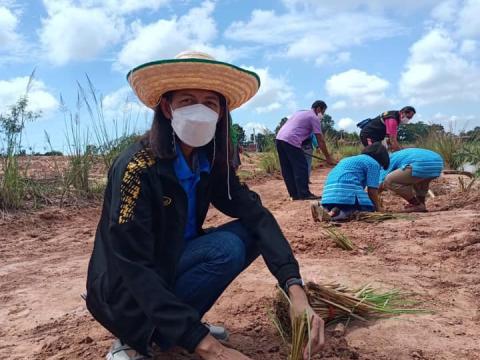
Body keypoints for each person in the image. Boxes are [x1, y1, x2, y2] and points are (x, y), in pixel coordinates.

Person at [85, 51, 325, 360]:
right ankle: (137, 336)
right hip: (124, 291)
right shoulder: (137, 168)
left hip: (169, 264)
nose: (199, 111)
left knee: (245, 236)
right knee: (217, 252)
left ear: (221, 113)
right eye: (187, 101)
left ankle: (177, 328)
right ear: (167, 108)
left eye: (210, 103)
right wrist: (210, 348)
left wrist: (295, 290)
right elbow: (132, 264)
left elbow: (258, 216)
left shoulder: (209, 161)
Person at [311, 143, 390, 222]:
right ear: (381, 160)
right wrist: (378, 208)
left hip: (329, 194)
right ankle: (333, 216)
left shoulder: (350, 159)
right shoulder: (373, 163)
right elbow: (372, 192)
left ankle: (326, 210)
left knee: (340, 204)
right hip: (347, 192)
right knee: (363, 208)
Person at [276, 100, 335, 200]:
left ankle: (294, 194)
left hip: (279, 139)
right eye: (323, 112)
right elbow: (320, 140)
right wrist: (328, 157)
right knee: (302, 167)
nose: (323, 115)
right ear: (319, 109)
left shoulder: (300, 112)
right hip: (291, 140)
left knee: (287, 169)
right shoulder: (314, 117)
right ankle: (304, 194)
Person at [379, 148, 444, 212]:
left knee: (389, 180)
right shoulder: (396, 155)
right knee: (418, 179)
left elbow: (380, 183)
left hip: (421, 163)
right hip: (438, 163)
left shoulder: (388, 160)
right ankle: (421, 203)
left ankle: (416, 204)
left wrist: (372, 198)